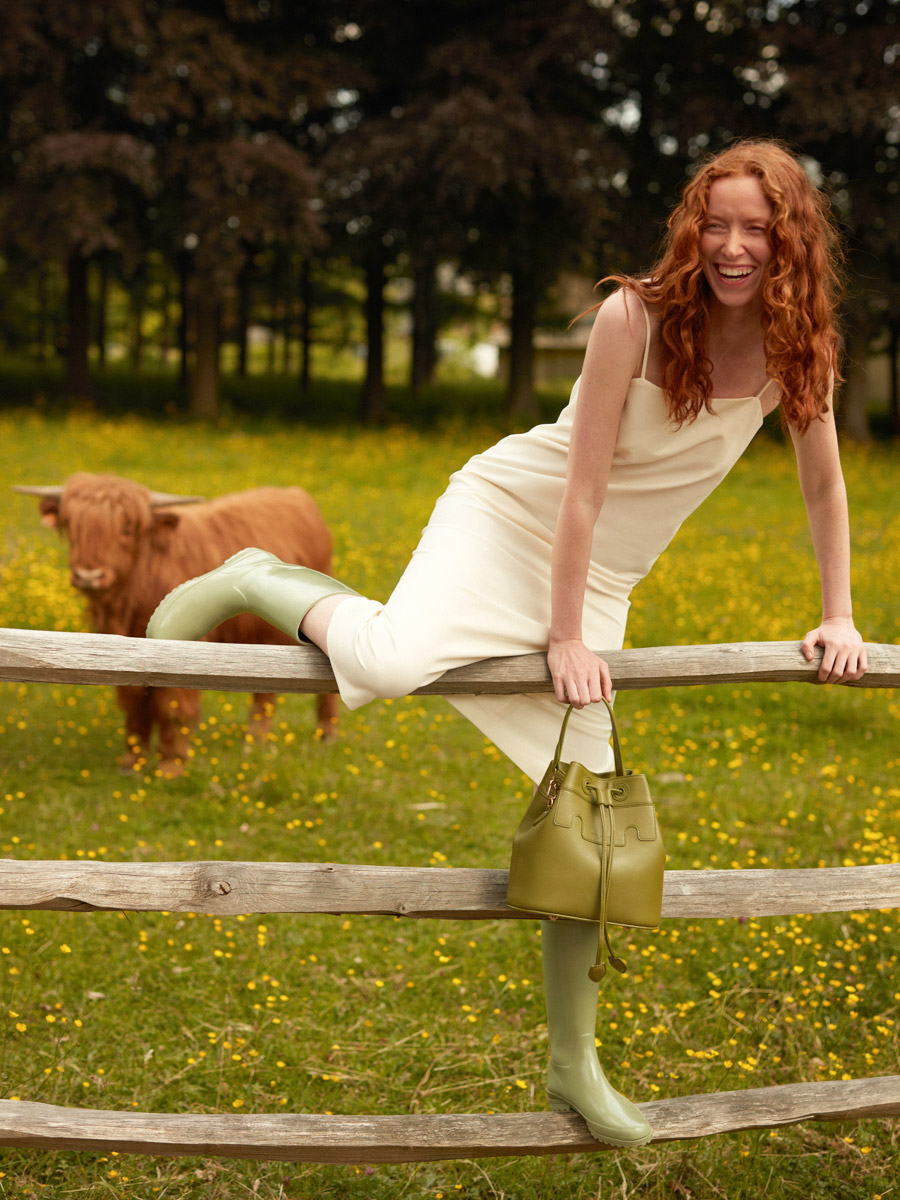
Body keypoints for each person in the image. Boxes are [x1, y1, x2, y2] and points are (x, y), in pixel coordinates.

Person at [147, 139, 867, 1148]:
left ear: (790, 238)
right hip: (510, 519)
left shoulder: (802, 346)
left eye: (756, 228)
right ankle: (258, 577)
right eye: (717, 224)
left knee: (592, 831)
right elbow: (579, 491)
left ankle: (572, 1061)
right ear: (691, 228)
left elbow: (824, 487)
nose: (733, 246)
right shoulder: (636, 317)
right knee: (395, 661)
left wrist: (839, 612)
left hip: (602, 576)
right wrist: (563, 639)